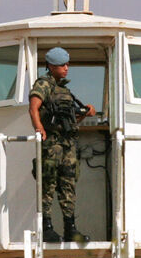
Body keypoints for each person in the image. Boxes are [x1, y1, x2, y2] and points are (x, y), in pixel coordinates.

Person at [29, 46, 96, 243]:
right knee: (48, 183)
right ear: (51, 66)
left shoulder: (64, 90)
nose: (66, 68)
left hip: (67, 144)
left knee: (68, 185)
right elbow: (33, 107)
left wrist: (85, 112)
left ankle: (70, 228)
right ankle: (47, 227)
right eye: (62, 65)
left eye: (67, 64)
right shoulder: (43, 84)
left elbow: (70, 120)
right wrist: (39, 128)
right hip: (52, 144)